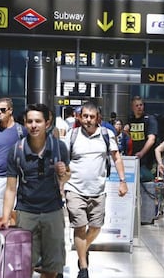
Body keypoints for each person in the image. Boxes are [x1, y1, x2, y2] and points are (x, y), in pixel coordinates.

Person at [0, 103, 70, 278]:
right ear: (24, 123)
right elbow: (11, 187)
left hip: (53, 211)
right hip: (26, 213)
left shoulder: (59, 148)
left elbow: (66, 178)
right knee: (24, 264)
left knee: (52, 266)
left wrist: (63, 173)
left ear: (47, 122)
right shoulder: (16, 150)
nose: (34, 125)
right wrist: (6, 217)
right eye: (30, 121)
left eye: (38, 121)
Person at [64, 102, 128, 278]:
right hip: (74, 189)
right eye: (85, 116)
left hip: (98, 190)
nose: (88, 120)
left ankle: (83, 248)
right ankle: (83, 268)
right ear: (79, 116)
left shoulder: (106, 135)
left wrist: (122, 181)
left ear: (97, 118)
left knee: (96, 227)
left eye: (92, 117)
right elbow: (62, 161)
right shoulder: (72, 135)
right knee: (79, 226)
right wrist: (60, 184)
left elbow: (117, 158)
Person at [128, 96, 158, 180]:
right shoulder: (130, 119)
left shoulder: (150, 119)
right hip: (133, 159)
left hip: (147, 161)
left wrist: (142, 153)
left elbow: (151, 139)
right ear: (132, 107)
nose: (139, 107)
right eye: (136, 105)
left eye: (141, 105)